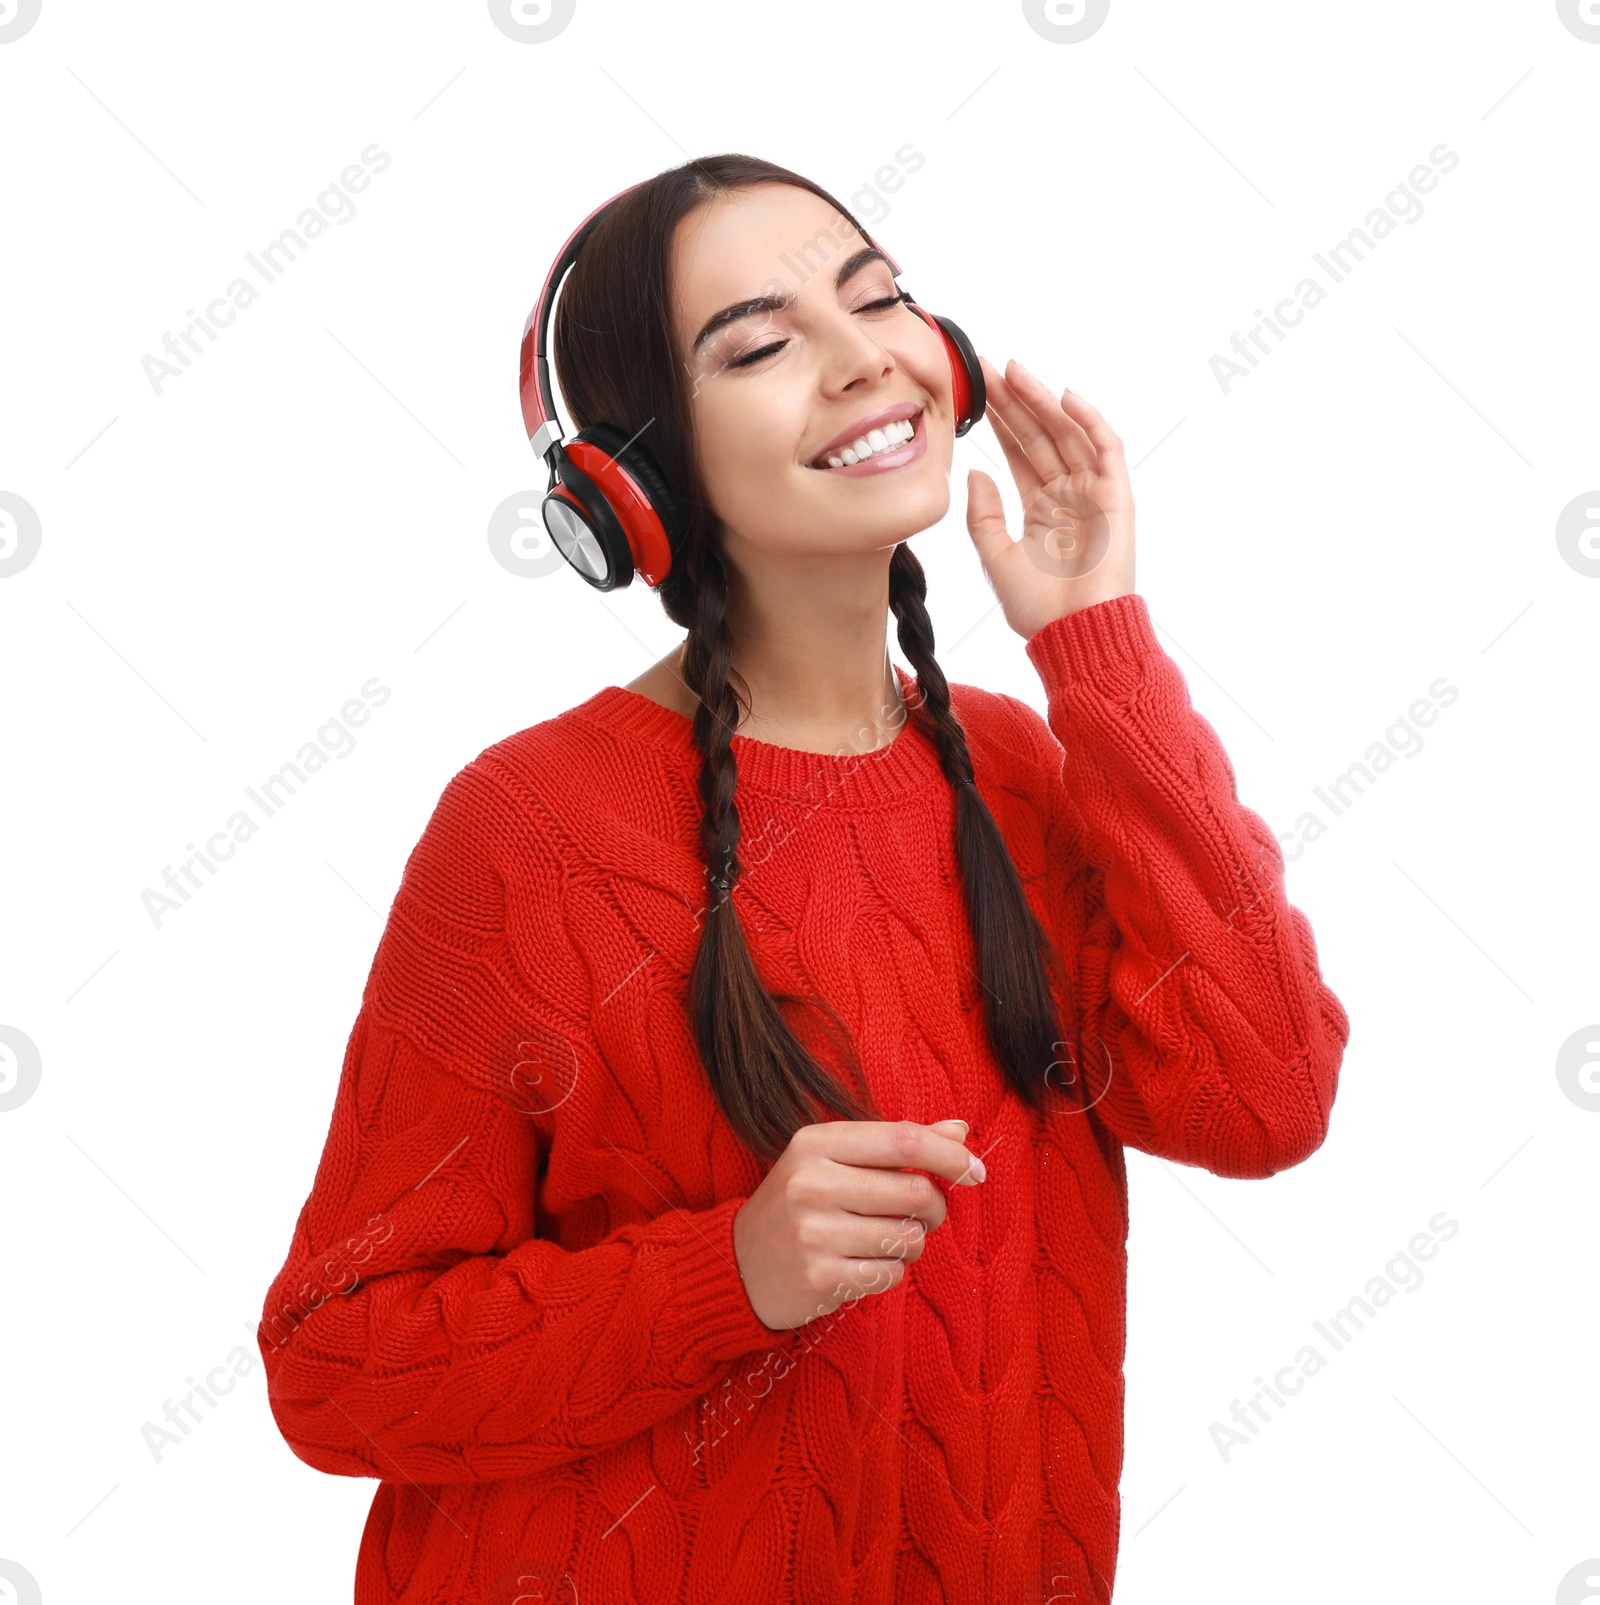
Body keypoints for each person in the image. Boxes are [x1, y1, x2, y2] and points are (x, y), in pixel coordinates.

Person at [257, 153, 1350, 1605]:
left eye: (879, 299)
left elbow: (1265, 1094)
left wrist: (1100, 646)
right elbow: (336, 1361)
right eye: (761, 345)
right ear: (632, 484)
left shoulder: (1019, 772)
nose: (861, 361)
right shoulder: (532, 828)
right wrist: (732, 1273)